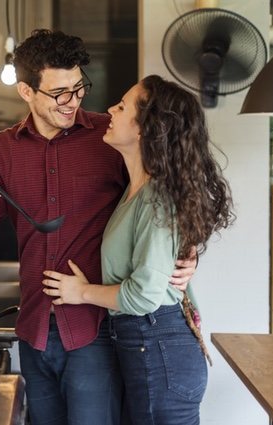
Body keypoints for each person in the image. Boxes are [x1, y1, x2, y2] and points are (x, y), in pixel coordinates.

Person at [0, 29, 196, 425]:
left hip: (96, 329)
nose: (72, 101)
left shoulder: (111, 137)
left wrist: (189, 252)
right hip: (33, 329)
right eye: (58, 93)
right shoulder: (1, 148)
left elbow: (169, 193)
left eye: (78, 87)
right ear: (26, 92)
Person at [41, 75, 234, 425]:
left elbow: (145, 295)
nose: (110, 110)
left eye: (122, 105)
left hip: (159, 347)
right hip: (151, 347)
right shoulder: (137, 192)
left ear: (146, 127)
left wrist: (81, 292)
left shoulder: (156, 196)